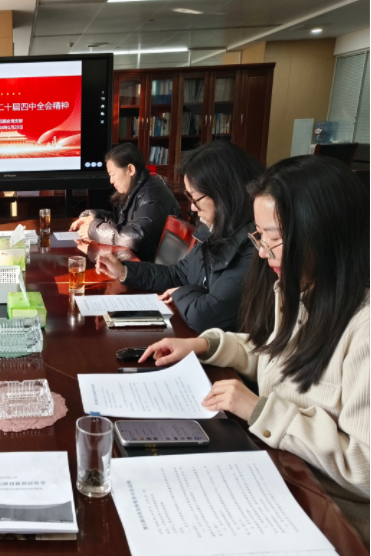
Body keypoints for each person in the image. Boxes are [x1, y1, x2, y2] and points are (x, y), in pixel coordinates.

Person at [139, 156, 370, 542]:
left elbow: (365, 469)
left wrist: (260, 410)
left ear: (325, 232)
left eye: (273, 238)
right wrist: (204, 344)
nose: (262, 253)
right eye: (259, 236)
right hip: (280, 477)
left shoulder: (362, 329)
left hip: (331, 521)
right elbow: (275, 353)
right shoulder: (301, 289)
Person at [95, 142, 264, 332]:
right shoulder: (214, 229)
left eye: (195, 199)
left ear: (224, 194)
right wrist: (124, 272)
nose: (192, 207)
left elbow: (206, 315)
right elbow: (178, 274)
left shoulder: (255, 245)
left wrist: (181, 293)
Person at [69, 143, 181, 261]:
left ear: (130, 169)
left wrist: (94, 229)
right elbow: (123, 223)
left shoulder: (150, 195)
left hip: (154, 266)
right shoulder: (138, 187)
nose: (111, 181)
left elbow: (136, 237)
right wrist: (94, 217)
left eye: (113, 174)